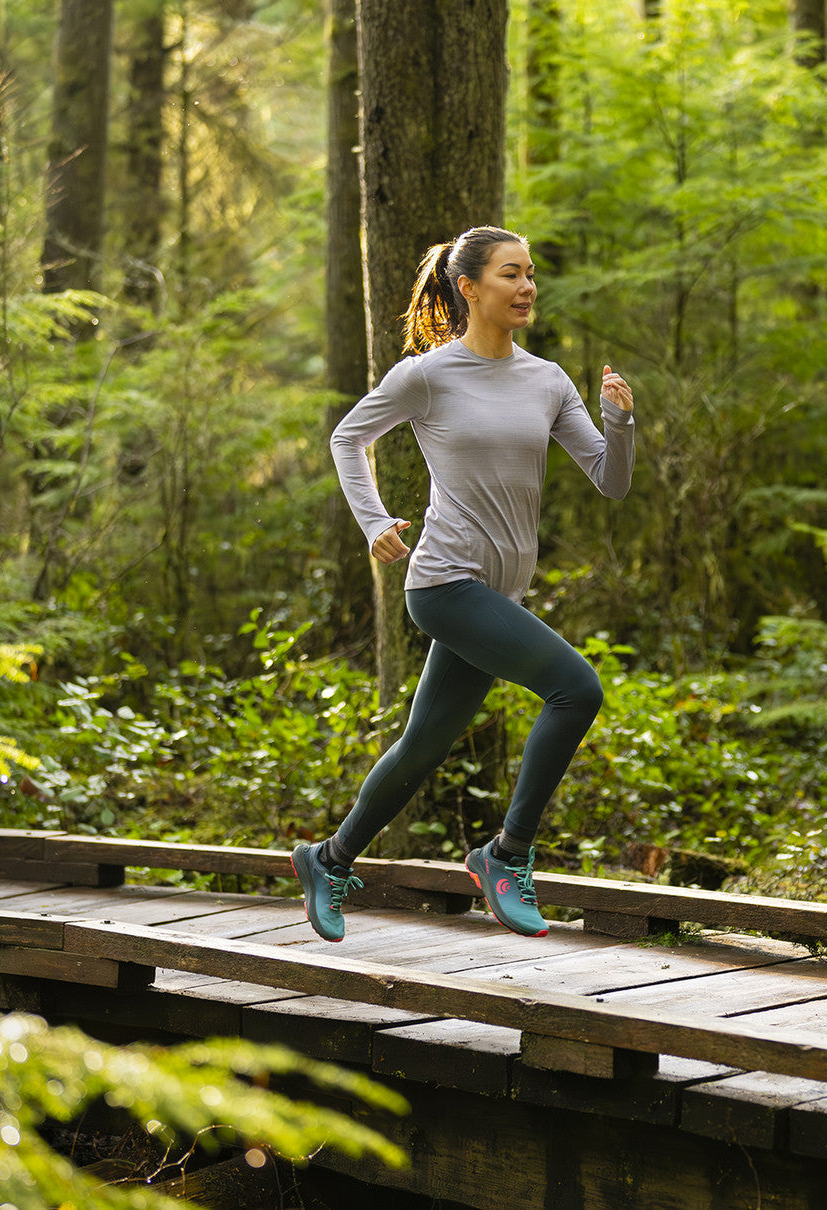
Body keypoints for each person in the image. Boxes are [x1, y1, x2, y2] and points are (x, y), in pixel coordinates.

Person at [293, 225, 636, 942]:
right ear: (470, 287)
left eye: (532, 274)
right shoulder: (427, 375)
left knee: (422, 746)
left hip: (498, 593)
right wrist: (373, 521)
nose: (527, 286)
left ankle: (328, 859)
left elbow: (610, 480)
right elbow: (347, 437)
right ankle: (505, 856)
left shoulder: (547, 380)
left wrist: (620, 420)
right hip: (446, 582)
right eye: (511, 274)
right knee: (577, 690)